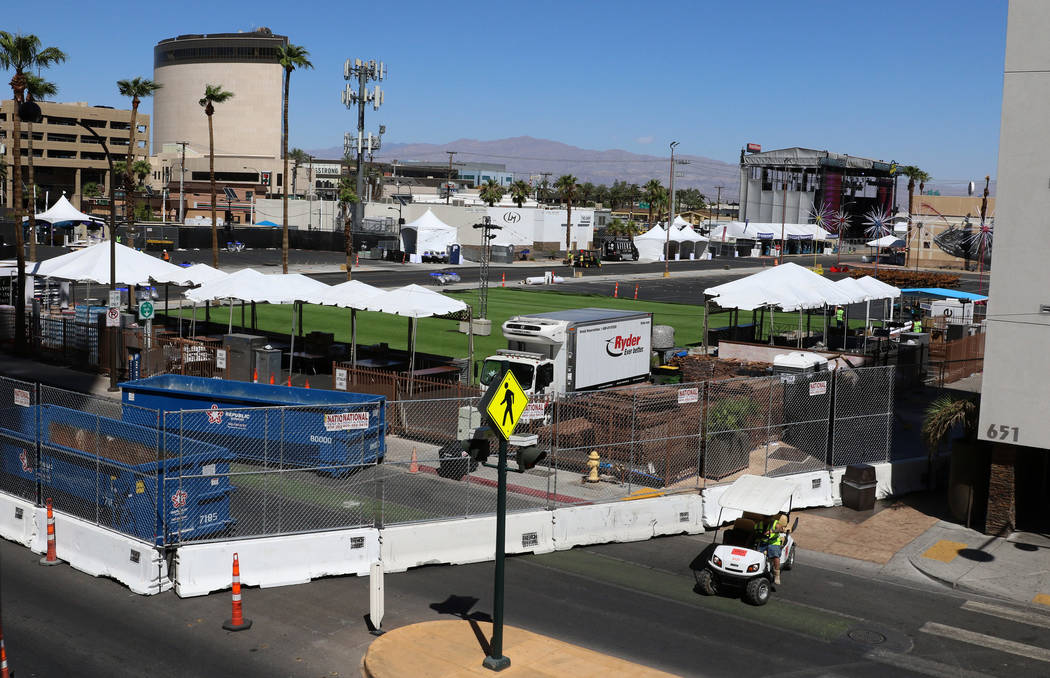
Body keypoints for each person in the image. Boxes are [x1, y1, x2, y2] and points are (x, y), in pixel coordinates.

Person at [755, 514, 789, 585]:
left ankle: (777, 574)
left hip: (773, 542)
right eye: (765, 517)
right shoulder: (759, 524)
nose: (767, 519)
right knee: (756, 555)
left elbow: (779, 529)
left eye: (768, 517)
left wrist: (772, 531)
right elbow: (755, 532)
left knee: (775, 555)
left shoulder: (775, 522)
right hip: (763, 542)